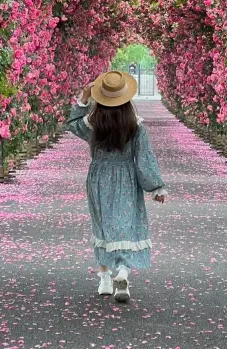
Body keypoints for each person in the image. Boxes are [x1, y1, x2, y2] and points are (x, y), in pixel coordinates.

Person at [67, 69, 167, 303]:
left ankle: (104, 278)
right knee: (125, 224)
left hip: (99, 177)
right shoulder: (135, 125)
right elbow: (144, 158)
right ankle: (122, 272)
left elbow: (72, 124)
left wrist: (83, 98)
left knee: (102, 225)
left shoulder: (93, 123)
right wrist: (156, 187)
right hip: (126, 178)